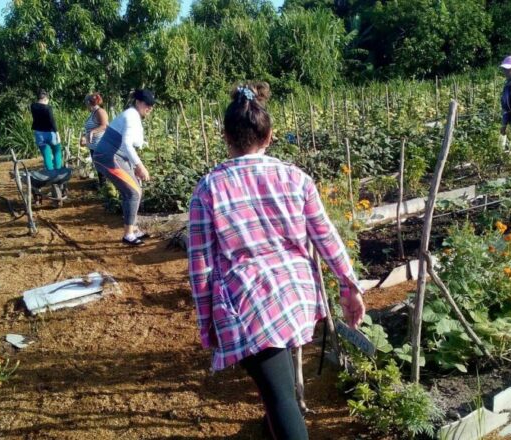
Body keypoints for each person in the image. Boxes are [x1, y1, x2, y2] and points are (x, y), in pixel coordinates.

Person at [188, 82, 365, 440]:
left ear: (225, 137)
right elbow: (326, 237)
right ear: (269, 136)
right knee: (278, 388)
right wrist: (350, 285)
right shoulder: (296, 178)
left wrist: (206, 324)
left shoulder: (208, 189)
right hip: (294, 297)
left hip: (248, 305)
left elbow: (201, 269)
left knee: (280, 396)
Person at [92, 89, 154, 246]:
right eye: (147, 104)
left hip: (115, 156)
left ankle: (133, 229)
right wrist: (140, 166)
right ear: (138, 102)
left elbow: (131, 144)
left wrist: (133, 165)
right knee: (133, 192)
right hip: (109, 157)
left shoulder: (133, 115)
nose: (150, 108)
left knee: (135, 189)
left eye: (152, 105)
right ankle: (128, 235)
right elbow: (126, 144)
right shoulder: (131, 116)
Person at [30, 90, 63, 171]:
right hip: (50, 133)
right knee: (57, 152)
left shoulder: (33, 106)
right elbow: (52, 121)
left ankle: (50, 173)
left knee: (46, 155)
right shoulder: (48, 108)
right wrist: (57, 134)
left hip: (39, 134)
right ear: (45, 99)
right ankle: (58, 171)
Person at [81, 93, 109, 187]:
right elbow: (90, 128)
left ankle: (105, 188)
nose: (85, 105)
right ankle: (103, 187)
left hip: (100, 145)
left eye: (85, 103)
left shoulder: (100, 111)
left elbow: (105, 126)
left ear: (88, 102)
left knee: (102, 168)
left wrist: (92, 132)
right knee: (99, 168)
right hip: (94, 146)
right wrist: (85, 137)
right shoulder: (93, 113)